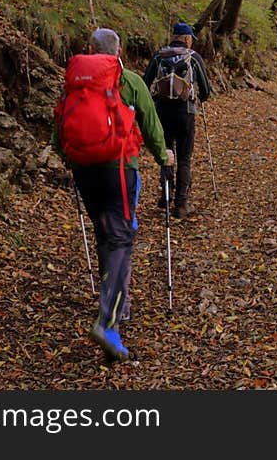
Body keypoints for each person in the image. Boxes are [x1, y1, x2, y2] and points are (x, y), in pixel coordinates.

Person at [55, 28, 173, 362]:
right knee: (121, 237)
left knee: (105, 232)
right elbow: (150, 123)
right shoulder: (130, 81)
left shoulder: (74, 84)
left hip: (83, 169)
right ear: (118, 51)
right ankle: (111, 318)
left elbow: (58, 131)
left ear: (89, 49)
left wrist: (72, 157)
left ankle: (113, 301)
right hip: (120, 169)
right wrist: (164, 156)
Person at [143, 21, 212, 219]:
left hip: (162, 112)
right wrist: (201, 97)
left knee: (166, 154)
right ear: (187, 38)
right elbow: (206, 90)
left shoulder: (159, 56)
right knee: (183, 158)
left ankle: (166, 196)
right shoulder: (194, 58)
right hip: (185, 112)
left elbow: (145, 81)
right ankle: (181, 204)